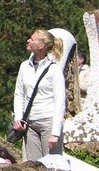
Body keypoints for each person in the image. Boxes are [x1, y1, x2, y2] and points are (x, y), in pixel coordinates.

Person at [13, 29, 66, 161]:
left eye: (32, 39)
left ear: (41, 46)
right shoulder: (24, 66)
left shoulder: (54, 69)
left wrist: (55, 133)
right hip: (30, 123)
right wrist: (19, 117)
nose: (28, 41)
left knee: (52, 165)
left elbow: (60, 101)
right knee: (32, 167)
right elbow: (19, 94)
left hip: (48, 121)